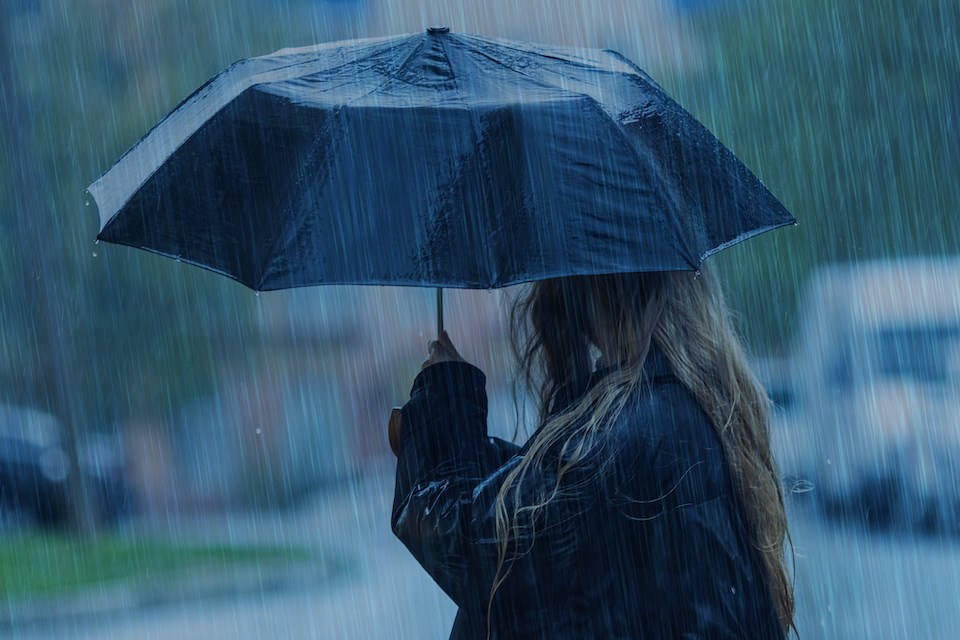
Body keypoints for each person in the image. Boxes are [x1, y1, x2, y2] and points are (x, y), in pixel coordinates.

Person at [388, 267, 795, 639]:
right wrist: (471, 452)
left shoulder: (626, 436)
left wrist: (444, 404)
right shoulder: (683, 412)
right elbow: (559, 515)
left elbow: (471, 543)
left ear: (590, 289)